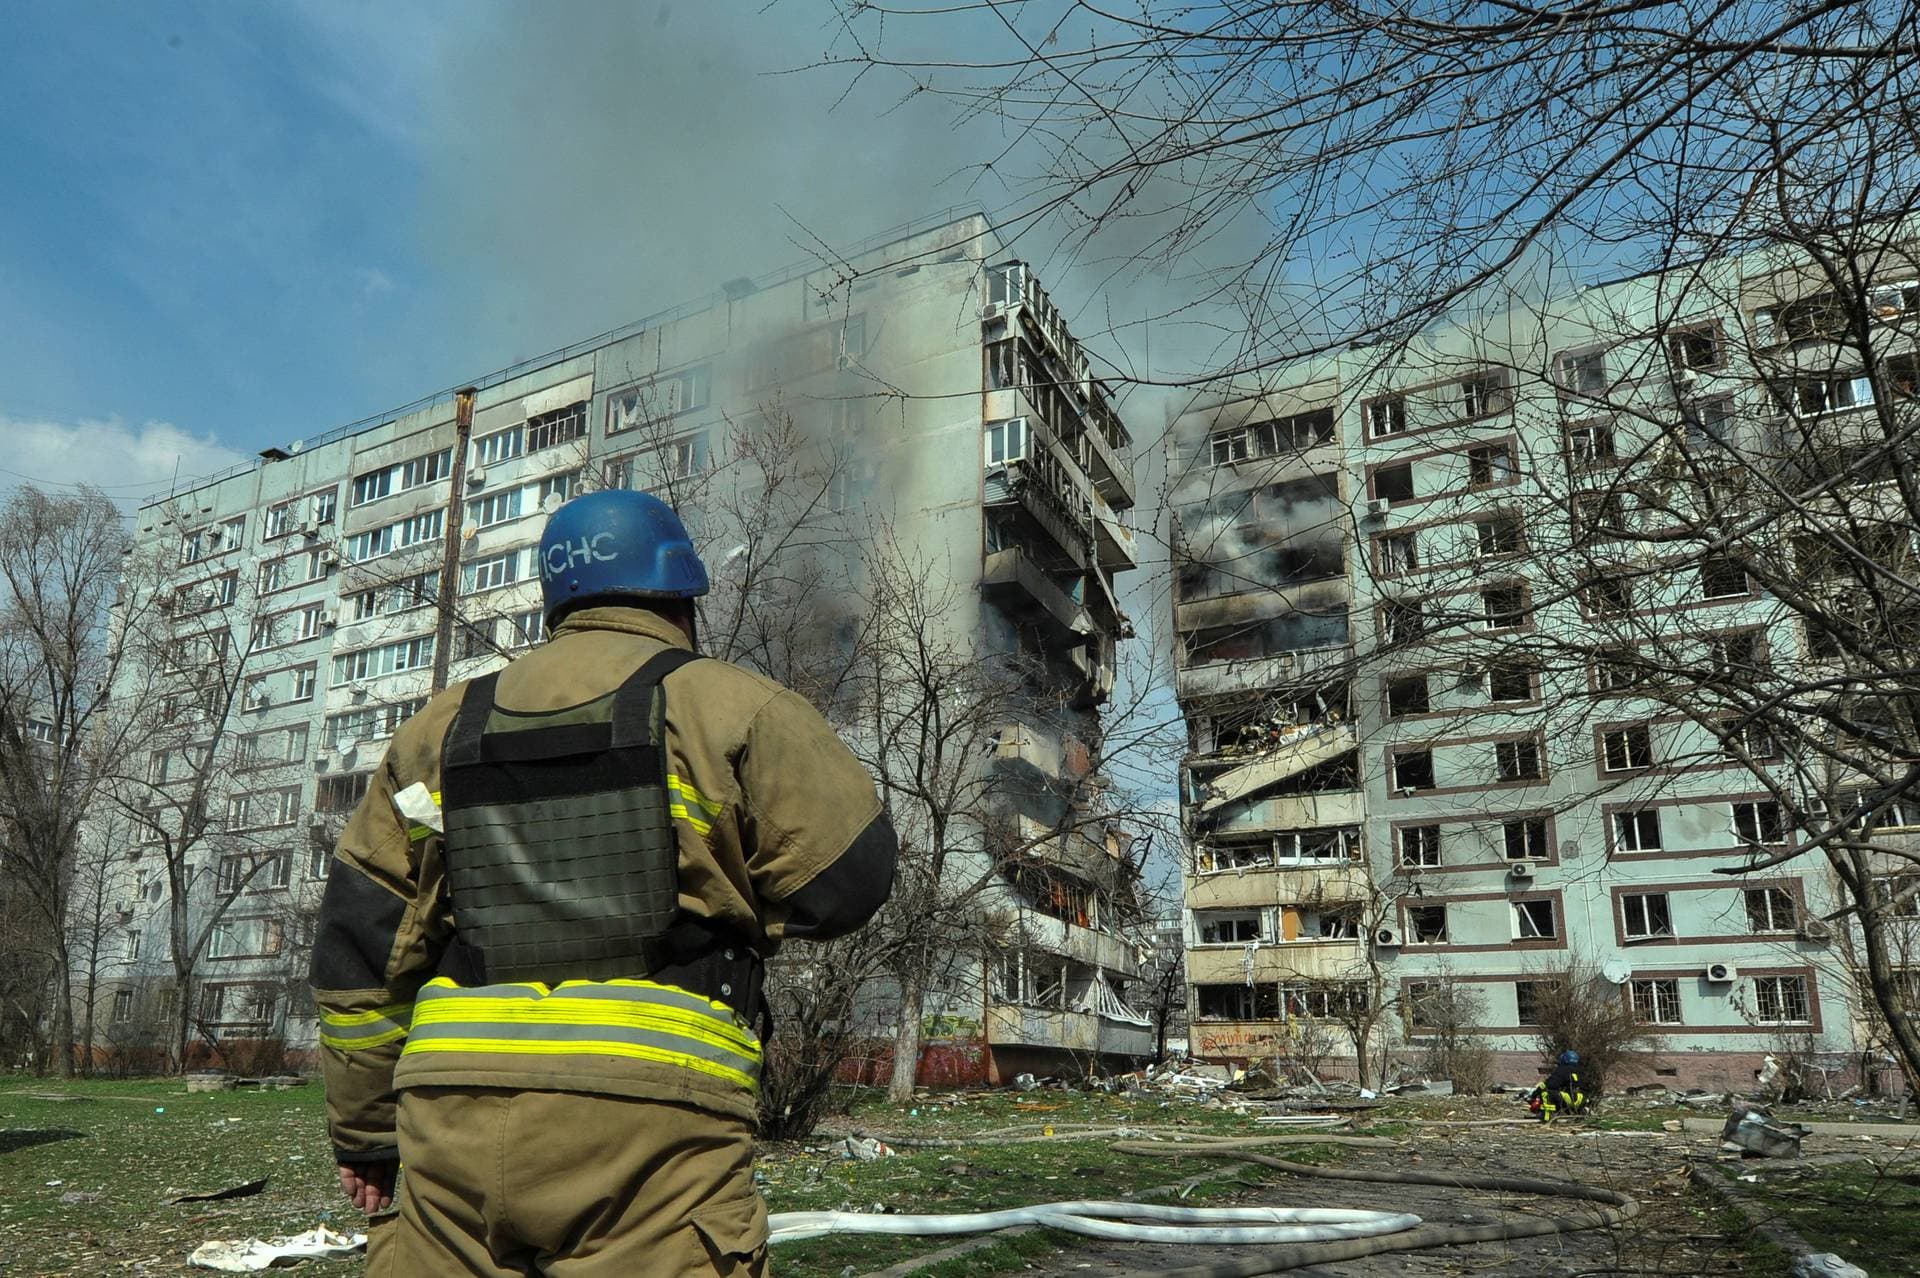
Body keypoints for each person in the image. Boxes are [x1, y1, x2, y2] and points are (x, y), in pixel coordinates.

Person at [309, 489, 898, 1276]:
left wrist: (368, 1134)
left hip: (451, 1114)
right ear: (682, 600)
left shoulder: (437, 726)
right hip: (655, 1117)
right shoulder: (732, 706)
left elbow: (359, 948)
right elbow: (850, 881)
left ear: (556, 603)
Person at [1530, 1049, 1587, 1123]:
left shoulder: (1561, 1070)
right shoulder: (1582, 1071)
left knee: (1547, 1094)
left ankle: (1547, 1117)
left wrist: (1535, 1093)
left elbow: (1551, 1085)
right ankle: (1579, 1115)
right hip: (1582, 1099)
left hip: (1569, 1099)